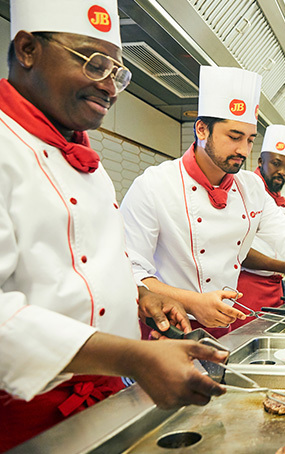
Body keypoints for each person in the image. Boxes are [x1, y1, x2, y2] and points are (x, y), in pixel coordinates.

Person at [0, 1, 226, 451]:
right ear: (27, 49)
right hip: (22, 420)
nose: (110, 86)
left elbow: (91, 266)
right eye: (94, 62)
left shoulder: (91, 169)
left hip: (102, 404)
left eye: (117, 72)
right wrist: (133, 355)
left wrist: (142, 295)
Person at [121, 65, 285, 338]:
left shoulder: (250, 188)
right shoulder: (154, 185)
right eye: (234, 137)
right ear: (202, 129)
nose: (243, 150)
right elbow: (130, 270)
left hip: (224, 327)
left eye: (250, 140)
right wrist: (193, 302)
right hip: (168, 331)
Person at [234, 124, 285, 329]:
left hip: (275, 289)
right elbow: (240, 251)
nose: (282, 172)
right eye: (276, 163)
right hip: (247, 289)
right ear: (260, 161)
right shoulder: (244, 191)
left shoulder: (277, 199)